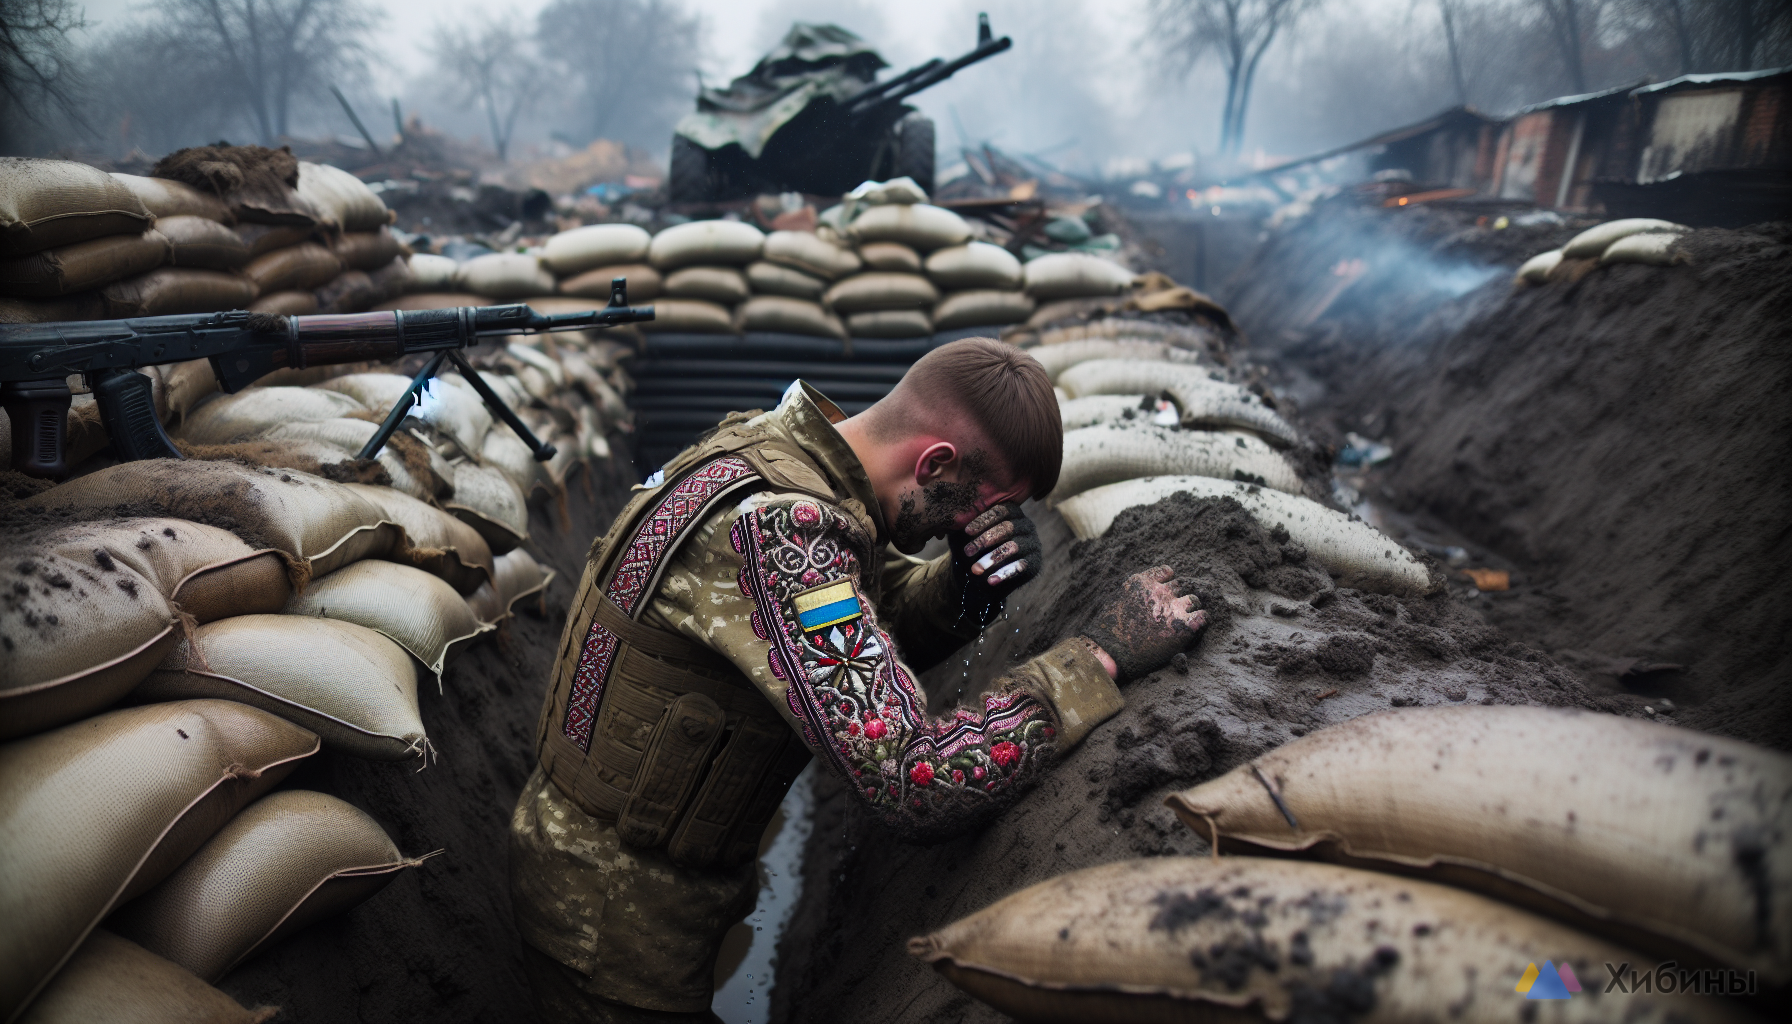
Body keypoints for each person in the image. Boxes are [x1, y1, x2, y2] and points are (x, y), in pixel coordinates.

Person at [509, 338, 1207, 1021]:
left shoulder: (773, 449)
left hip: (622, 883)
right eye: (979, 508)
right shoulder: (785, 528)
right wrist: (1095, 660)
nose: (969, 530)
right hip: (615, 921)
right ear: (935, 462)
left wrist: (969, 586)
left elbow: (859, 618)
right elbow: (912, 779)